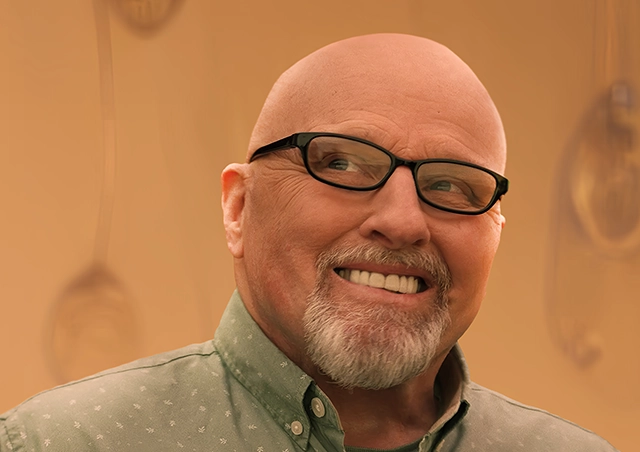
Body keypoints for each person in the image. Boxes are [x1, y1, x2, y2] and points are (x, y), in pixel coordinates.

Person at [0, 33, 617, 452]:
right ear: (239, 207)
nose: (403, 222)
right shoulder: (66, 442)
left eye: (453, 185)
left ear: (495, 233)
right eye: (343, 163)